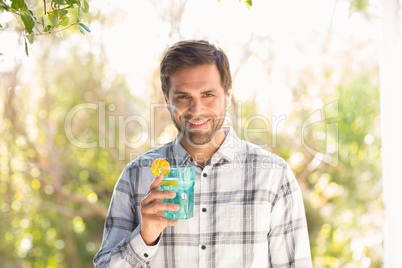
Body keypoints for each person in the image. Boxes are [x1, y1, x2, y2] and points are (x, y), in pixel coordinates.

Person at [94, 40, 312, 267]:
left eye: (208, 95)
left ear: (228, 95)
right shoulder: (136, 176)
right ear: (166, 99)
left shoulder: (274, 177)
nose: (196, 111)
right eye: (183, 97)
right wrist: (144, 238)